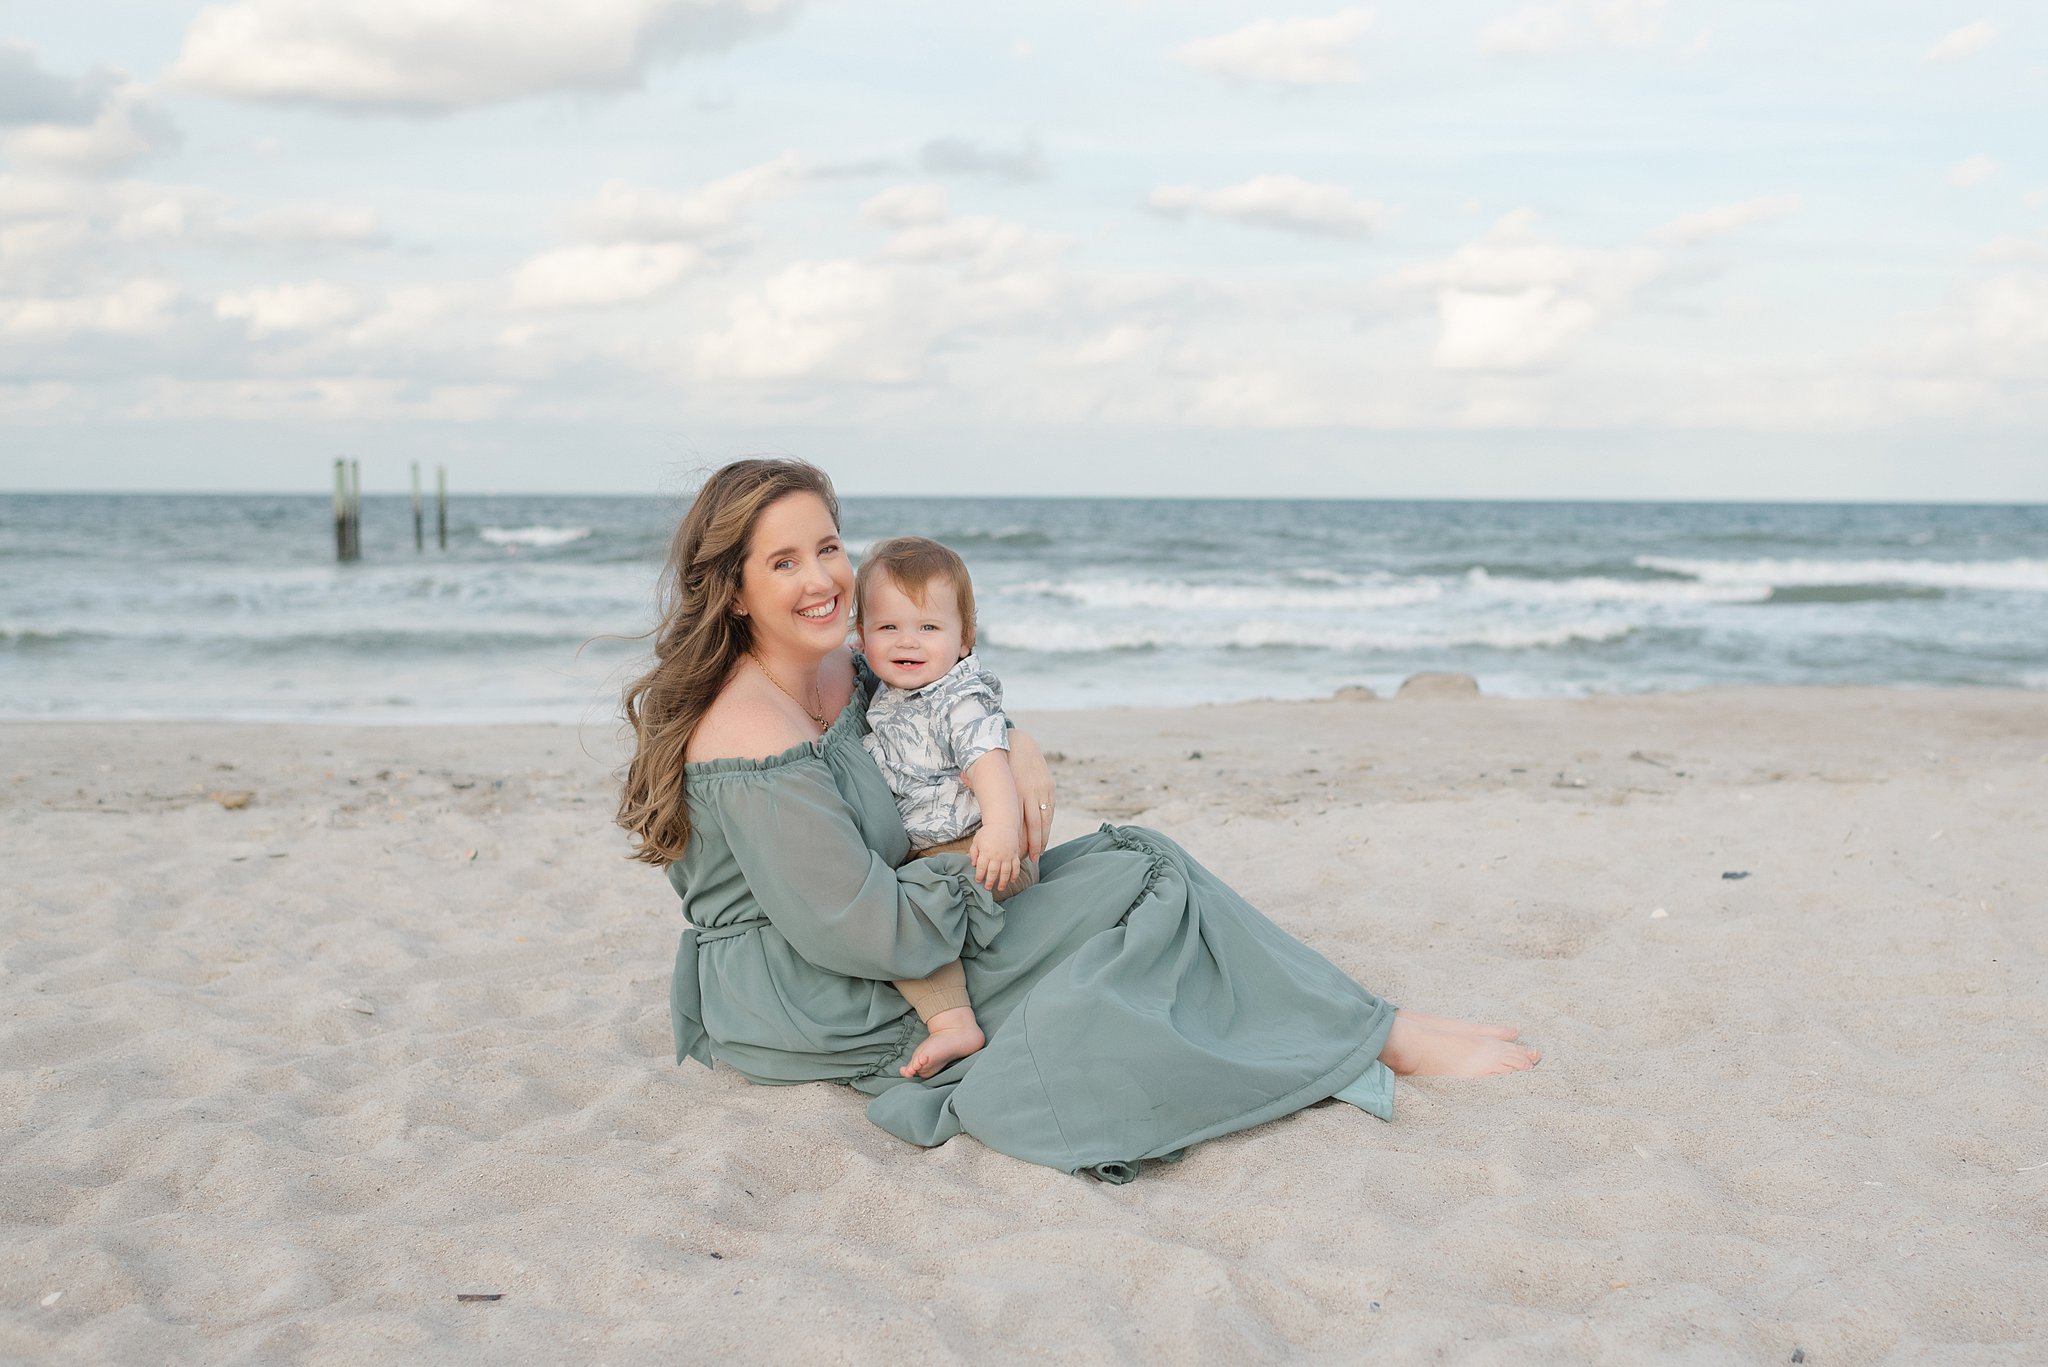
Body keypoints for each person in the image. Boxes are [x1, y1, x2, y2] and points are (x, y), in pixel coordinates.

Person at [618, 458, 1538, 1183]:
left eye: (828, 546)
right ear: (734, 590)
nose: (823, 579)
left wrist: (1017, 759)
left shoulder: (839, 665)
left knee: (1145, 865)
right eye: (784, 562)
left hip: (912, 918)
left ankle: (1365, 1026)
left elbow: (955, 711)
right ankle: (1372, 1036)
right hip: (820, 984)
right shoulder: (746, 736)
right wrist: (997, 857)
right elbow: (862, 928)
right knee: (1140, 883)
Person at [856, 536, 1037, 1081]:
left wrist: (1004, 829)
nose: (907, 641)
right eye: (888, 627)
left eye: (928, 628)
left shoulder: (957, 699)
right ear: (860, 634)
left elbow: (988, 762)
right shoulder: (893, 692)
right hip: (940, 851)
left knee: (897, 917)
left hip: (980, 847)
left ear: (965, 641)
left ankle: (952, 1022)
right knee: (894, 907)